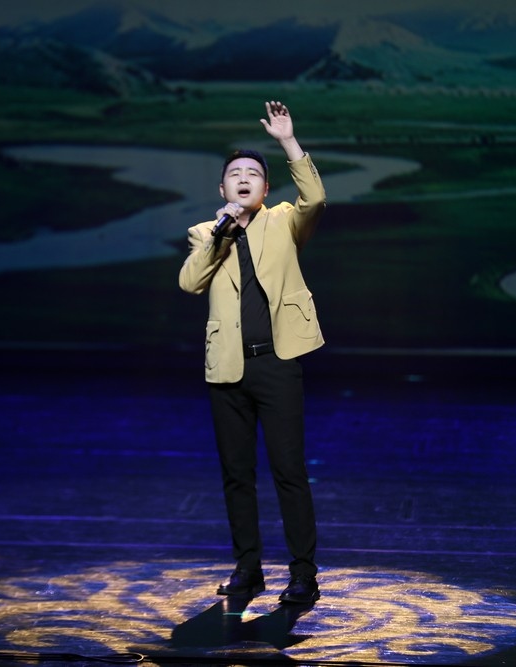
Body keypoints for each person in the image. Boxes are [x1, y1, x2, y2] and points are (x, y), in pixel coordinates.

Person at [178, 100, 325, 605]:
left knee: (289, 471)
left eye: (253, 175)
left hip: (276, 364)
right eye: (235, 175)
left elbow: (315, 197)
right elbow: (190, 282)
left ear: (265, 188)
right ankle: (248, 567)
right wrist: (223, 230)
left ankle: (303, 573)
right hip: (227, 368)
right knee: (237, 475)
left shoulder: (283, 221)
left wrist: (287, 141)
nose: (244, 179)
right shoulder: (205, 233)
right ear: (223, 190)